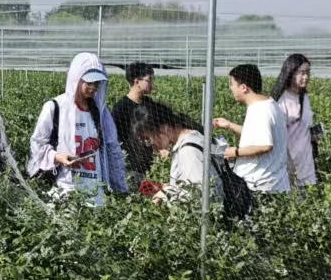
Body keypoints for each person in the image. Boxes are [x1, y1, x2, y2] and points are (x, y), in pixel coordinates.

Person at [27, 51, 127, 204]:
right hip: (64, 189)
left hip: (95, 192)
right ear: (76, 79)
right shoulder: (55, 107)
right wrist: (57, 157)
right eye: (89, 83)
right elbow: (37, 144)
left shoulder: (101, 112)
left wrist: (120, 188)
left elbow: (112, 148)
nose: (93, 88)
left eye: (97, 83)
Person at [213, 63, 290, 194]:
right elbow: (257, 135)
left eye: (232, 84)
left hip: (261, 186)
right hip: (272, 182)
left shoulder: (260, 110)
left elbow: (265, 146)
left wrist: (235, 152)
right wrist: (229, 125)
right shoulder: (268, 104)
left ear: (243, 87)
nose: (231, 88)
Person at [129, 100, 219, 202]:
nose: (150, 145)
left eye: (148, 138)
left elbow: (200, 194)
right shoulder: (191, 135)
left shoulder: (188, 151)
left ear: (164, 128)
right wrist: (170, 186)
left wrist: (165, 194)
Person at [270, 53, 319, 189]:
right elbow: (277, 136)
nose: (306, 77)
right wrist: (287, 164)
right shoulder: (281, 101)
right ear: (290, 73)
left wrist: (314, 134)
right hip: (289, 162)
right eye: (301, 73)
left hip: (306, 159)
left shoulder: (305, 97)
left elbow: (303, 126)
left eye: (308, 72)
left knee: (307, 196)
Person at [110, 62, 158, 181]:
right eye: (149, 80)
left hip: (151, 165)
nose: (152, 83)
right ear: (137, 82)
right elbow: (114, 139)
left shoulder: (149, 104)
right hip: (130, 167)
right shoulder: (121, 108)